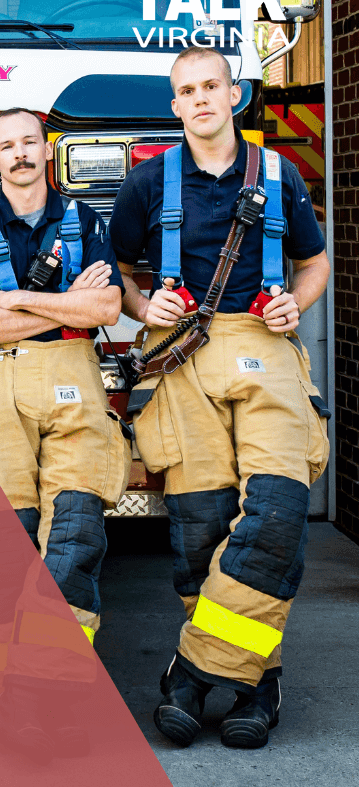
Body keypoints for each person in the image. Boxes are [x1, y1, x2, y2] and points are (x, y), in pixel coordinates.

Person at [110, 46, 330, 750]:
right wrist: (143, 307)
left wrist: (296, 303)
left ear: (235, 94)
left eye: (212, 85)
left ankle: (193, 670)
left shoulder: (281, 174)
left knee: (278, 510)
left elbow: (314, 261)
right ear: (174, 104)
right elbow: (117, 272)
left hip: (264, 347)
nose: (200, 98)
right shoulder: (146, 183)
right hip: (180, 356)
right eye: (187, 90)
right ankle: (254, 685)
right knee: (199, 527)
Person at [0, 106, 130, 743]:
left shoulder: (86, 219)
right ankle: (14, 698)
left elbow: (106, 306)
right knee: (3, 546)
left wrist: (21, 298)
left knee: (75, 537)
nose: (20, 154)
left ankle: (45, 694)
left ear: (47, 150)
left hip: (75, 382)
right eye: (7, 146)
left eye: (29, 142)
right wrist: (66, 303)